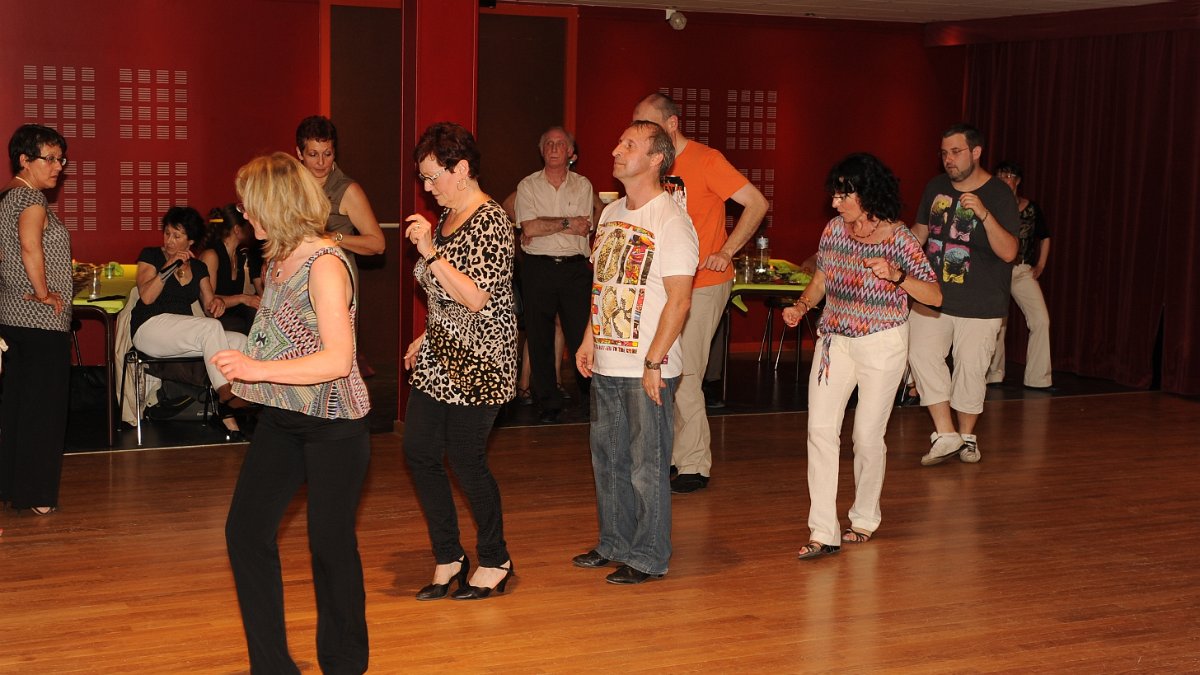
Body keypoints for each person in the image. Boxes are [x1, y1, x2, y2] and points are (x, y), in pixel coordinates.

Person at [216, 152, 371, 674]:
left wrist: (255, 369)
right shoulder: (278, 259)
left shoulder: (324, 264)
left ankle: (345, 665)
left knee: (330, 547)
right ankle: (272, 667)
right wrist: (246, 372)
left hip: (334, 426)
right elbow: (283, 336)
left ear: (276, 204)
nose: (243, 214)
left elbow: (338, 360)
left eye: (249, 205)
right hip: (284, 419)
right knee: (245, 532)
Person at [781, 154, 940, 560]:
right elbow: (822, 278)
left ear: (867, 194)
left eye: (843, 195)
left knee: (867, 436)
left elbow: (935, 297)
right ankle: (823, 530)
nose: (835, 204)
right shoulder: (834, 230)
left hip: (883, 344)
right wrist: (802, 305)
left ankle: (865, 517)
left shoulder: (900, 239)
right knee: (820, 430)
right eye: (834, 196)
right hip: (835, 342)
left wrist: (896, 275)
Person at [572, 120, 698, 584]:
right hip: (608, 360)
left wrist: (654, 361)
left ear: (656, 158)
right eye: (619, 142)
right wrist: (589, 337)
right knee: (608, 460)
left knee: (647, 467)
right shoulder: (610, 213)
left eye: (629, 144)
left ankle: (648, 555)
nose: (616, 149)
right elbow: (604, 284)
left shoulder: (671, 220)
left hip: (648, 365)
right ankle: (615, 542)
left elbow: (680, 300)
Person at [402, 122, 517, 601]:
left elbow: (474, 297)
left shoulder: (492, 221)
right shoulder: (448, 218)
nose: (428, 188)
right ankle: (449, 554)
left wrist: (430, 253)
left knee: (466, 459)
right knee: (419, 450)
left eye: (433, 177)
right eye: (424, 178)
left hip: (482, 361)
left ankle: (495, 558)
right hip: (440, 355)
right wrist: (425, 336)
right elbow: (444, 298)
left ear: (462, 169)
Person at [632, 93, 769, 493]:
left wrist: (726, 251)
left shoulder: (706, 160)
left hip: (705, 282)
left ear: (671, 124)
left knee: (686, 372)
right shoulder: (653, 165)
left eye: (647, 123)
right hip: (664, 284)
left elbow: (756, 203)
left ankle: (693, 463)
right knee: (662, 368)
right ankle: (672, 456)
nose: (640, 131)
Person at [910, 123, 1019, 466]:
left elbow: (1009, 252)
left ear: (976, 152)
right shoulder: (935, 187)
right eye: (944, 153)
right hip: (933, 296)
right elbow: (920, 233)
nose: (949, 159)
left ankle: (967, 437)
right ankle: (946, 433)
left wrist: (984, 214)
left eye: (956, 152)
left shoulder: (999, 194)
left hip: (981, 302)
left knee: (971, 371)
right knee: (921, 354)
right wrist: (894, 254)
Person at [0, 124, 71, 515]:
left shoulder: (6, 196)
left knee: (18, 405)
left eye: (61, 159)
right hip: (41, 321)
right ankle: (37, 495)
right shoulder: (31, 198)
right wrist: (44, 293)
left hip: (12, 316)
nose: (59, 166)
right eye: (50, 158)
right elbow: (30, 246)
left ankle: (12, 485)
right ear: (25, 160)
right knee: (43, 408)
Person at [129, 206, 248, 440]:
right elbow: (147, 297)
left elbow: (210, 306)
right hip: (149, 328)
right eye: (167, 233)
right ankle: (225, 392)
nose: (169, 241)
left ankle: (232, 408)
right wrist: (168, 267)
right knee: (210, 328)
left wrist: (217, 304)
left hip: (180, 331)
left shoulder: (199, 267)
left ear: (190, 241)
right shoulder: (151, 256)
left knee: (239, 341)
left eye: (177, 236)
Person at [514, 126, 595, 424]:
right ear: (541, 150)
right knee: (539, 337)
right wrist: (566, 222)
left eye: (560, 144)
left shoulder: (583, 185)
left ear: (570, 152)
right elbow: (529, 227)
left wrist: (546, 224)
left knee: (580, 335)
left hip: (575, 269)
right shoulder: (527, 185)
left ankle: (590, 400)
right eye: (548, 143)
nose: (553, 148)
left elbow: (583, 226)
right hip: (538, 268)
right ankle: (548, 402)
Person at [295, 115, 385, 376]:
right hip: (297, 282)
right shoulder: (291, 186)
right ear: (299, 153)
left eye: (328, 154)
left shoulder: (347, 190)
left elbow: (377, 243)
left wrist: (334, 238)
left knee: (333, 359)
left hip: (333, 282)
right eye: (313, 154)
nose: (321, 162)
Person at [987, 160, 1053, 389]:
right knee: (997, 322)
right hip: (996, 269)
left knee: (1041, 320)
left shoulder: (1031, 208)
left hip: (1022, 269)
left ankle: (1038, 378)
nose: (1005, 180)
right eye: (1001, 176)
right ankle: (993, 373)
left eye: (1009, 176)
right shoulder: (989, 206)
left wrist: (1041, 264)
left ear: (1018, 181)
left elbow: (1045, 236)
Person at [200, 203, 262, 334]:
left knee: (259, 315)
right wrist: (243, 298)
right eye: (249, 226)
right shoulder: (212, 255)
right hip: (212, 317)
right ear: (237, 229)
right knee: (243, 322)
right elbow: (210, 303)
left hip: (232, 314)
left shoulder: (239, 255)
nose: (252, 230)